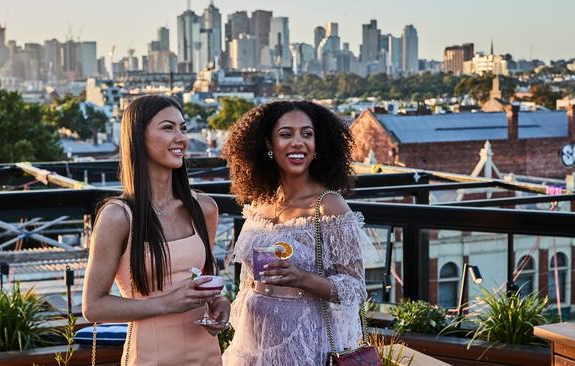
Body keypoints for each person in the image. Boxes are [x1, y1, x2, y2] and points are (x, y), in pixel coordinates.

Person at [221, 101, 378, 365]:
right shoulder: (259, 203)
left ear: (318, 145)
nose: (298, 142)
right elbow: (248, 280)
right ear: (269, 146)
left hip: (305, 341)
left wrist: (302, 278)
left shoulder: (329, 206)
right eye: (286, 134)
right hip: (253, 339)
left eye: (307, 134)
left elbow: (355, 289)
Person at [82, 95, 229, 366]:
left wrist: (220, 303)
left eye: (183, 128)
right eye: (167, 128)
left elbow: (206, 278)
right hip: (150, 357)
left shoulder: (204, 207)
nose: (181, 138)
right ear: (138, 137)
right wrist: (166, 304)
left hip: (207, 355)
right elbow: (93, 306)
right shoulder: (118, 216)